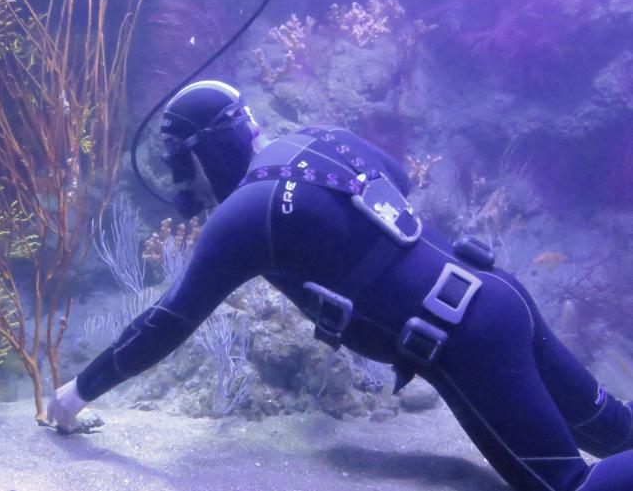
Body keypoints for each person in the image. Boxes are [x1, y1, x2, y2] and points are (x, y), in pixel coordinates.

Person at [47, 80, 633, 491]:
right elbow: (398, 178)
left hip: (465, 345)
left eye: (183, 166)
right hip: (498, 294)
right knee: (618, 433)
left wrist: (74, 396)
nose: (185, 187)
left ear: (208, 150)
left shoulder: (246, 217)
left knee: (569, 484)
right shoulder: (325, 136)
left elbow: (166, 323)